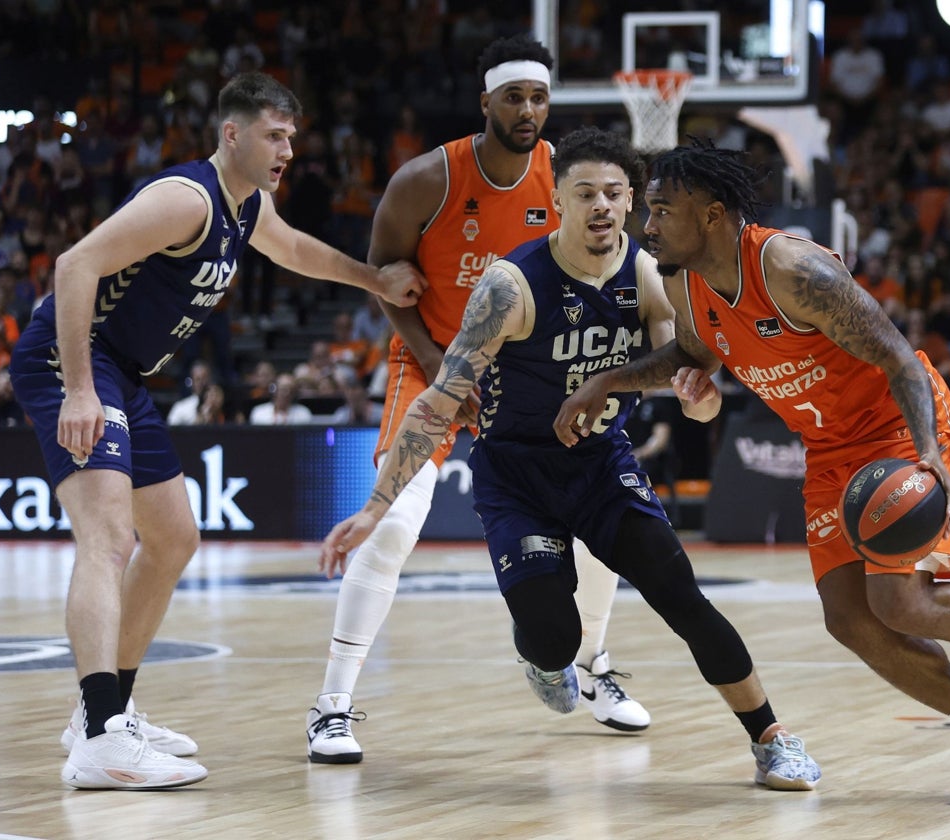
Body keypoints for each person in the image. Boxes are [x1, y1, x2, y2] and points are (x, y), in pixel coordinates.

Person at [553, 141, 950, 806]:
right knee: (850, 619)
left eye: (660, 210)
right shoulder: (682, 278)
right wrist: (610, 384)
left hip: (898, 425)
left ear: (712, 216)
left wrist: (928, 456)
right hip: (828, 447)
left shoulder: (794, 270)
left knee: (902, 601)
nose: (644, 225)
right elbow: (693, 348)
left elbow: (898, 358)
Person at [320, 126, 822, 789]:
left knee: (681, 595)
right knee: (553, 636)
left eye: (614, 193)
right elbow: (438, 402)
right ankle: (547, 657)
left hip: (599, 465)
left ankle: (771, 739)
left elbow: (692, 389)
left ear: (633, 201)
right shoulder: (511, 285)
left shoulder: (648, 274)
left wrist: (697, 396)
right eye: (584, 192)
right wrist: (373, 509)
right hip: (516, 475)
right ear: (556, 200)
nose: (602, 206)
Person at [8, 71, 425, 791]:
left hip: (124, 375)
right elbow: (74, 265)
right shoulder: (186, 199)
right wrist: (78, 386)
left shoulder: (248, 205)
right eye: (273, 134)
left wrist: (373, 279)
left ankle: (103, 713)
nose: (287, 148)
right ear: (231, 134)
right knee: (109, 539)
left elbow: (294, 250)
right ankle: (102, 735)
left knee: (173, 538)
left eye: (292, 136)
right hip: (71, 363)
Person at [304, 35, 652, 765]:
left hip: (530, 374)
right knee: (395, 523)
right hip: (430, 359)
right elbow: (383, 278)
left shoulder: (569, 178)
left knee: (601, 520)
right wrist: (437, 364)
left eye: (540, 97)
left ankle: (592, 669)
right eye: (515, 96)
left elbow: (607, 263)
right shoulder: (425, 180)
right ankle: (332, 706)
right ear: (485, 101)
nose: (529, 110)